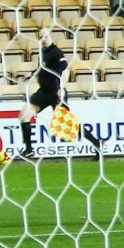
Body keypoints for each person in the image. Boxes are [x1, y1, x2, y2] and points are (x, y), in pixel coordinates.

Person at [18, 27, 102, 160]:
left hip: (56, 93)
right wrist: (32, 73)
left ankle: (97, 143)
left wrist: (60, 87)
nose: (43, 40)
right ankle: (29, 150)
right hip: (44, 92)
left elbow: (64, 67)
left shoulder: (56, 52)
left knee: (68, 125)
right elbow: (42, 68)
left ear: (50, 36)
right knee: (24, 115)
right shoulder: (42, 52)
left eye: (45, 37)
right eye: (41, 37)